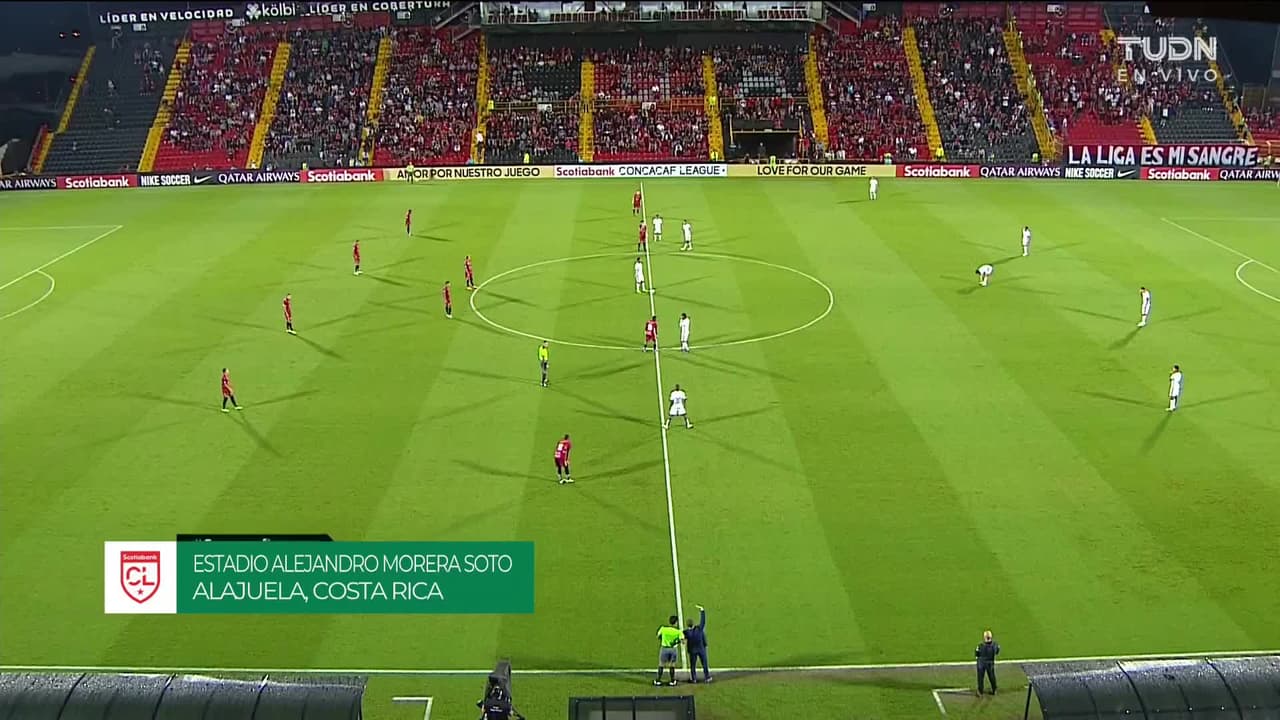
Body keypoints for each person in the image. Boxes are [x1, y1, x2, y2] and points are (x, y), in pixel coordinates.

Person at [684, 604, 711, 683]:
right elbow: (703, 621)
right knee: (704, 664)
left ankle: (694, 678)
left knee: (693, 665)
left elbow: (681, 637)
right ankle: (707, 677)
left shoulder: (686, 632)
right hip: (701, 649)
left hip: (692, 651)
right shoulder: (699, 629)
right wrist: (702, 610)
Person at [654, 615, 682, 686]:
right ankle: (672, 681)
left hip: (664, 648)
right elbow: (682, 640)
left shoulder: (663, 629)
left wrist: (663, 639)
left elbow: (658, 636)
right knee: (672, 665)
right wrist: (675, 642)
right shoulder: (678, 632)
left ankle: (658, 680)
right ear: (676, 623)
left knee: (661, 664)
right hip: (673, 649)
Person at [975, 629, 999, 695]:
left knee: (980, 678)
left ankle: (980, 691)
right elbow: (997, 652)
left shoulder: (980, 645)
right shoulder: (995, 645)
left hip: (981, 664)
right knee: (992, 676)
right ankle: (994, 689)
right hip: (990, 663)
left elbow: (977, 653)